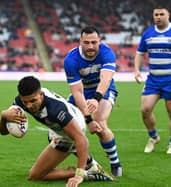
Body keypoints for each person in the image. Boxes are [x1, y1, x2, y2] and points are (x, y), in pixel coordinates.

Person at [0, 76, 113, 187]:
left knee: (35, 175)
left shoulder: (56, 110)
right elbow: (3, 132)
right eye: (25, 102)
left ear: (41, 94)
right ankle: (91, 164)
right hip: (56, 127)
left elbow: (81, 139)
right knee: (52, 139)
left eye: (33, 101)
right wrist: (3, 117)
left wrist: (79, 175)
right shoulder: (20, 102)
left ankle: (90, 174)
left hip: (71, 128)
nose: (29, 106)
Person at [63, 26, 122, 177]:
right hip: (83, 92)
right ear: (80, 42)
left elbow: (106, 79)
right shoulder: (71, 59)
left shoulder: (107, 53)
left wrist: (96, 98)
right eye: (86, 42)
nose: (90, 46)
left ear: (99, 42)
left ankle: (115, 163)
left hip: (104, 90)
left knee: (100, 123)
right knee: (65, 128)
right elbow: (77, 91)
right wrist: (88, 118)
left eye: (94, 42)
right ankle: (90, 164)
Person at [134, 6, 171, 154]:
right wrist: (137, 70)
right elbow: (140, 53)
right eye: (156, 14)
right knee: (145, 109)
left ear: (168, 15)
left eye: (161, 14)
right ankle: (153, 137)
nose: (158, 17)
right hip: (153, 80)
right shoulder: (148, 34)